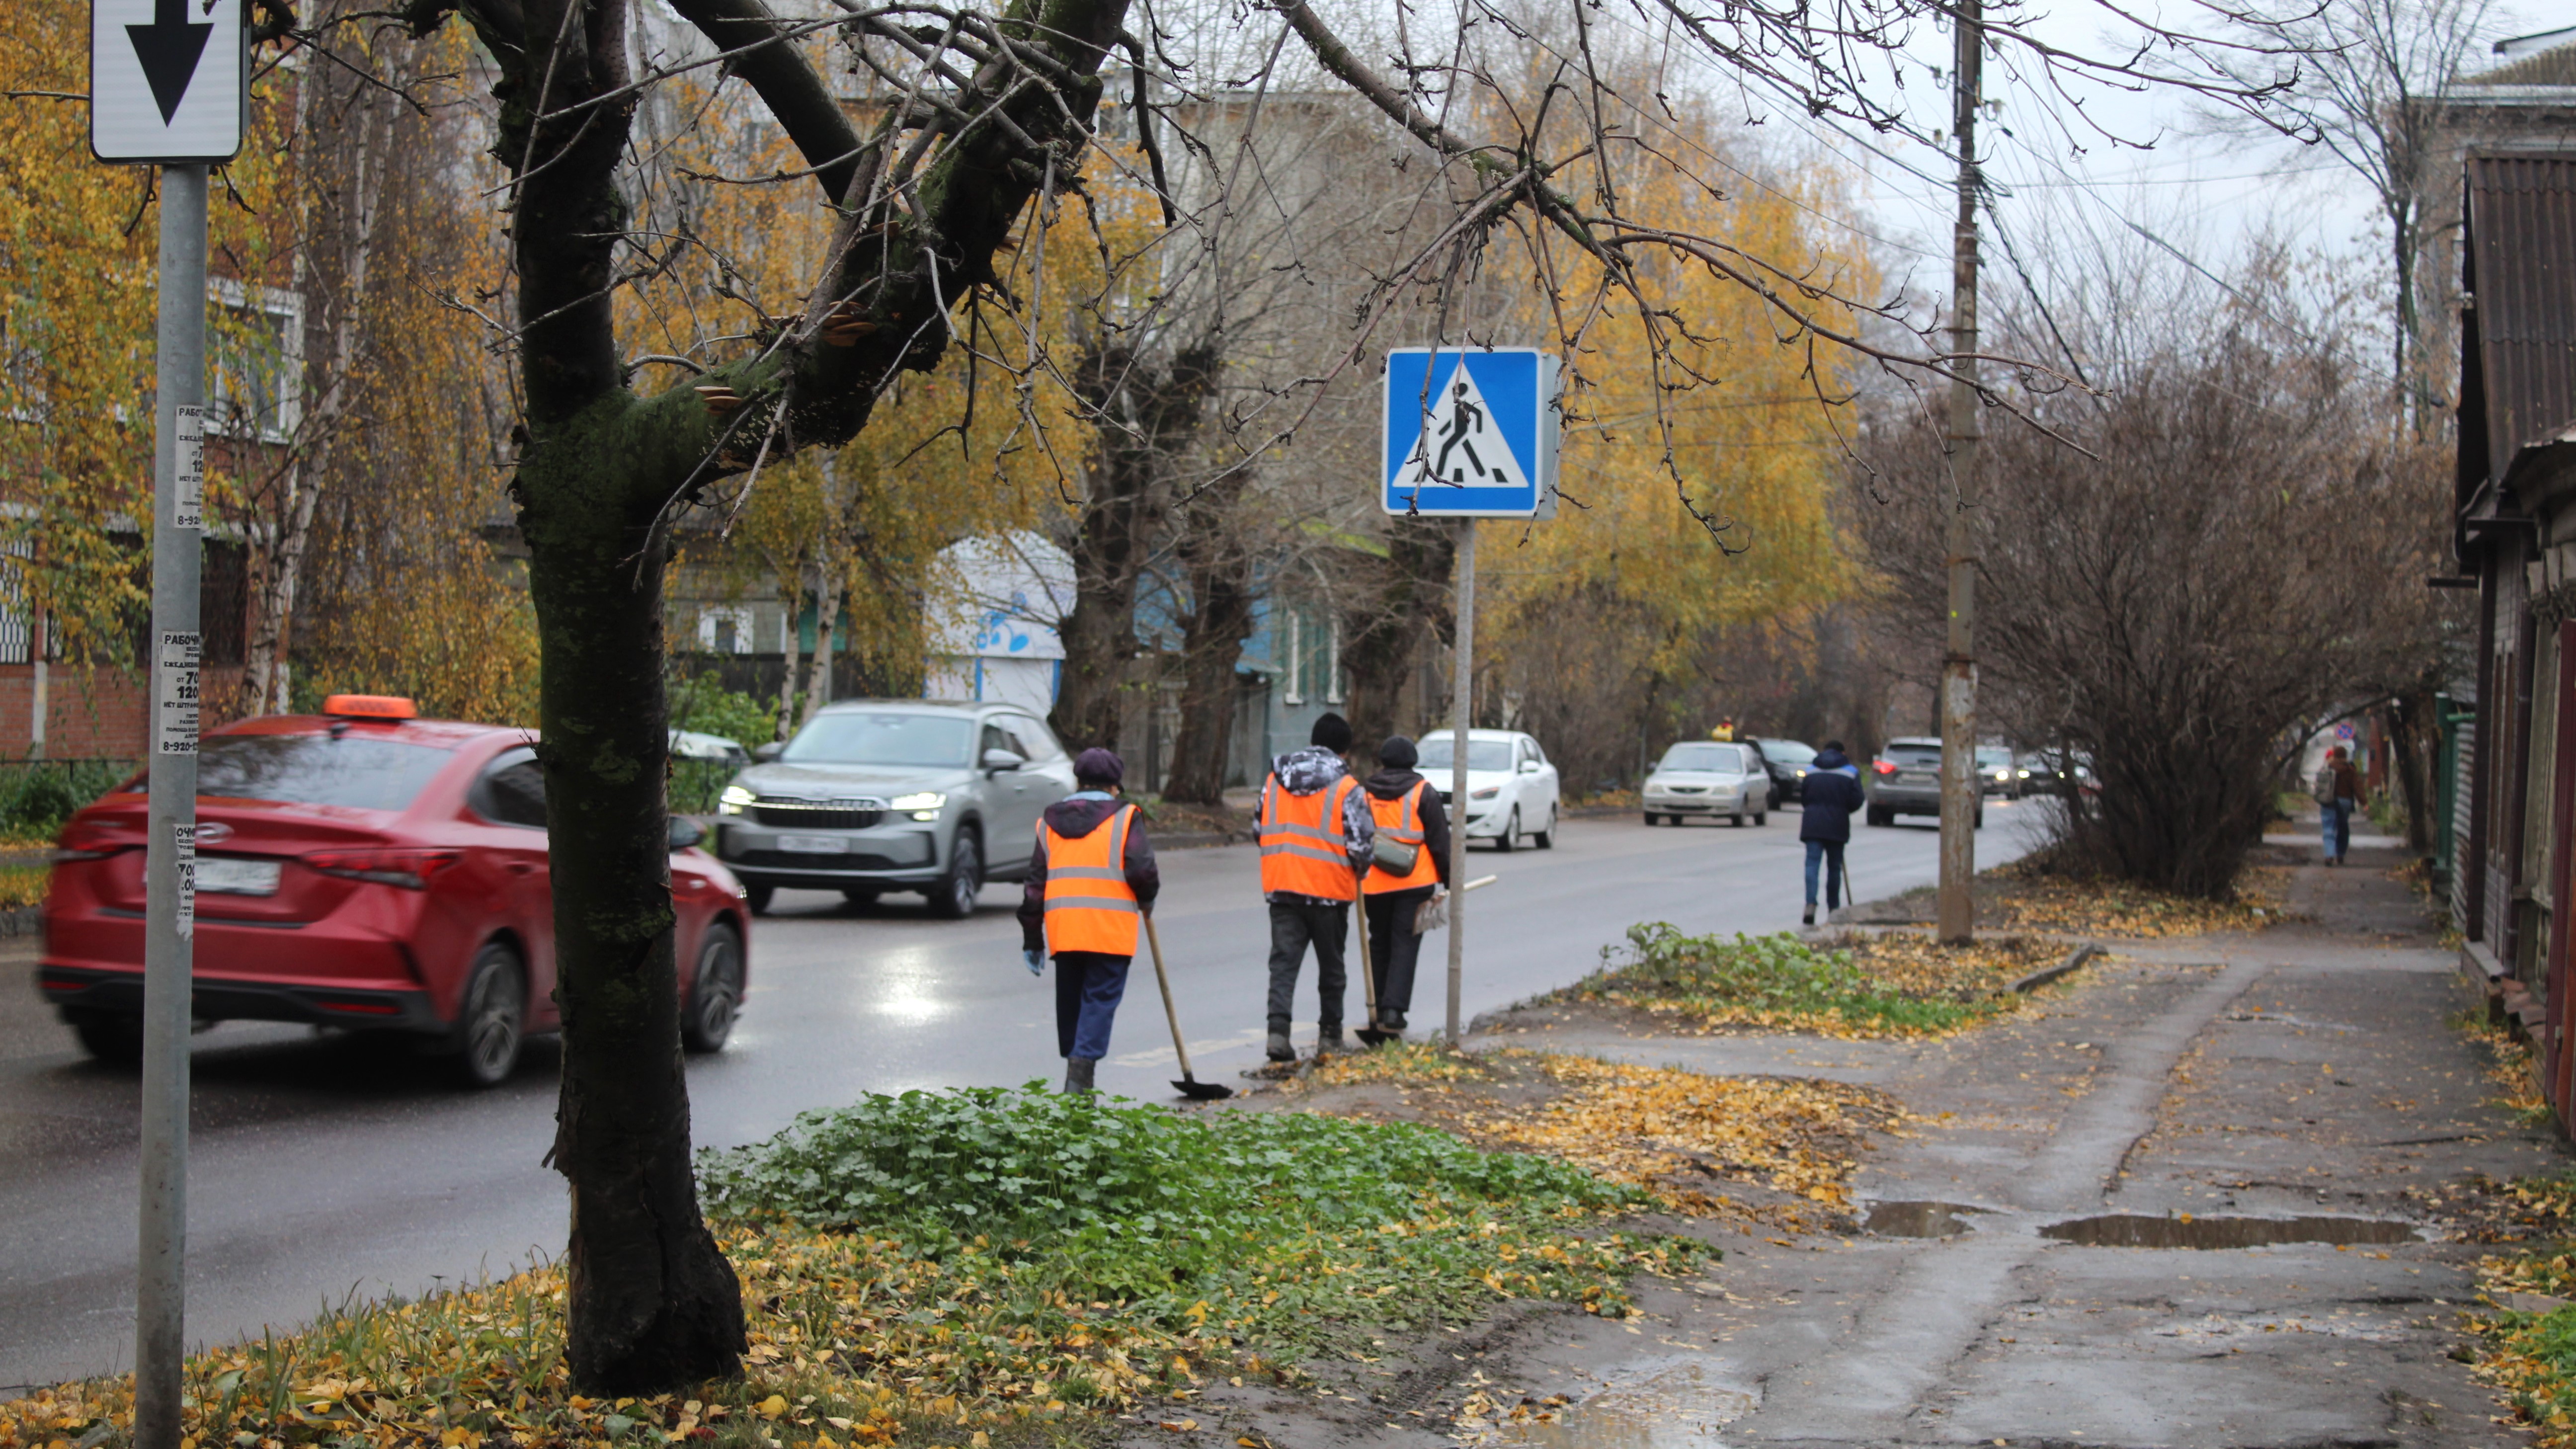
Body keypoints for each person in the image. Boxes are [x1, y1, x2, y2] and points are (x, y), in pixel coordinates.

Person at [1017, 747, 1157, 1094]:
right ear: (1114, 787)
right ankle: (1080, 1079)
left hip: (1065, 932)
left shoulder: (1049, 821)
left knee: (1072, 1004)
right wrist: (1147, 898)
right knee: (1099, 1001)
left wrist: (1033, 940)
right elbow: (1141, 869)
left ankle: (1076, 1076)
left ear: (1079, 782)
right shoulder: (1126, 817)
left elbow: (1035, 886)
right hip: (1110, 932)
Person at [1258, 712, 1374, 1061]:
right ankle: (1330, 1037)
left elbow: (1257, 827)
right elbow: (1361, 844)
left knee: (1283, 965)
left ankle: (1277, 1035)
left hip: (1282, 885)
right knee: (1332, 967)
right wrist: (1362, 869)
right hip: (1329, 892)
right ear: (1345, 751)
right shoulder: (1347, 788)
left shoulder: (1274, 780)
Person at [1359, 734, 1450, 1035]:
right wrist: (1449, 882)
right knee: (1405, 945)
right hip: (1415, 882)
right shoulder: (1424, 793)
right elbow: (1440, 843)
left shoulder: (1365, 793)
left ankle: (1377, 1006)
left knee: (1379, 942)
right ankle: (1394, 1011)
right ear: (1413, 761)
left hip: (1373, 883)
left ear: (1383, 760)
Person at [1797, 740, 1864, 927]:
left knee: (1812, 865)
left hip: (1812, 824)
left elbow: (1804, 796)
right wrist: (1843, 810)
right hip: (1837, 824)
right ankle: (1833, 908)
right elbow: (1858, 800)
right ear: (1843, 752)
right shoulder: (1850, 772)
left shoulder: (1811, 770)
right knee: (1834, 868)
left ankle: (1810, 904)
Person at [2315, 744, 2366, 866]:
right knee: (2342, 828)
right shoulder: (2350, 770)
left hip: (2328, 801)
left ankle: (2329, 855)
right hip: (2345, 802)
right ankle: (2340, 854)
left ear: (2335, 755)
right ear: (2345, 755)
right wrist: (2364, 802)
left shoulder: (2327, 768)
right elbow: (2357, 787)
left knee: (2328, 828)